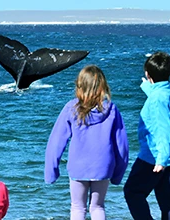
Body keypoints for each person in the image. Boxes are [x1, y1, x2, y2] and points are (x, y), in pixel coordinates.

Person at [44, 65, 129, 220]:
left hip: (78, 167)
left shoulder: (71, 108)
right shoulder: (111, 110)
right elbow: (122, 146)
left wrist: (51, 172)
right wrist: (118, 174)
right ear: (103, 86)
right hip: (103, 167)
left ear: (79, 85)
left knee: (78, 208)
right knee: (98, 207)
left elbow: (56, 142)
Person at [123, 51, 170, 220]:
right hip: (169, 154)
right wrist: (148, 88)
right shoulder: (168, 91)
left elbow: (164, 129)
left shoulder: (157, 99)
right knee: (168, 200)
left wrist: (161, 159)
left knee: (132, 192)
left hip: (154, 157)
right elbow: (159, 95)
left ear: (147, 74)